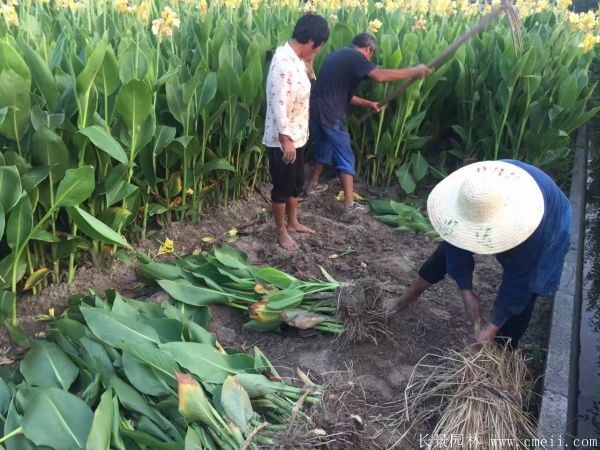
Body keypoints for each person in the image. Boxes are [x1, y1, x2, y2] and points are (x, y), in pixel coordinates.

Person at [385, 160, 572, 349]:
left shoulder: (532, 224)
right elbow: (454, 245)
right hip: (493, 205)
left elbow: (520, 279)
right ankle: (410, 296)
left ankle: (503, 350)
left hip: (552, 225)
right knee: (453, 243)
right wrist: (466, 291)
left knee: (531, 285)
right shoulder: (476, 190)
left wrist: (490, 328)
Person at [308, 33, 431, 213]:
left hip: (317, 108)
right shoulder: (356, 57)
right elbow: (380, 76)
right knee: (346, 156)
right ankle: (349, 206)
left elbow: (343, 93)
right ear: (368, 49)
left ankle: (312, 185)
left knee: (324, 146)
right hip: (331, 113)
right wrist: (413, 71)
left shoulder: (340, 55)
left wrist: (368, 104)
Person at [263, 14, 329, 250]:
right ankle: (281, 230)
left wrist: (309, 64)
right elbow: (277, 103)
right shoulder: (283, 62)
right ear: (312, 42)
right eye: (318, 48)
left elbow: (306, 81)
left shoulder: (297, 59)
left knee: (296, 182)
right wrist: (285, 140)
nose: (318, 51)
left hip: (298, 135)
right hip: (285, 140)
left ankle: (293, 222)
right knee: (282, 187)